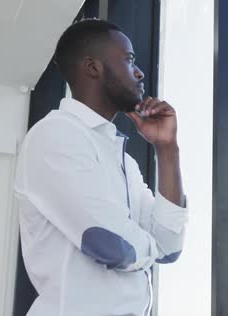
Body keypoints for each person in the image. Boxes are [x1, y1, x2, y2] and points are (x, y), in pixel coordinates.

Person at [14, 19, 188, 316]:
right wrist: (150, 246)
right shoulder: (55, 135)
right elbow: (111, 244)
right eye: (129, 59)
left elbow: (169, 246)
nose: (139, 71)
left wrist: (167, 149)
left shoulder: (122, 160)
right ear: (93, 68)